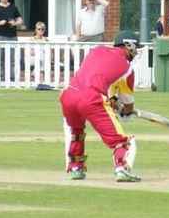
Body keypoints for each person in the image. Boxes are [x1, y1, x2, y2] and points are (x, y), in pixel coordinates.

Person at [59, 31, 142, 182]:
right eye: (136, 47)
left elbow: (98, 76)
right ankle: (122, 168)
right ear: (128, 45)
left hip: (68, 95)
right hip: (91, 98)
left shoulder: (97, 50)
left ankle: (76, 167)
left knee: (76, 133)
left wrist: (112, 101)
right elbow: (128, 103)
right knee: (122, 141)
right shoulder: (127, 68)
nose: (136, 52)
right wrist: (126, 112)